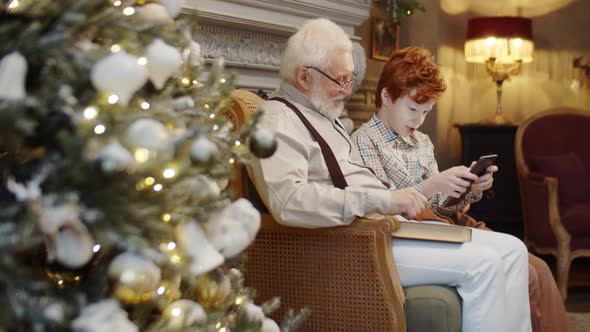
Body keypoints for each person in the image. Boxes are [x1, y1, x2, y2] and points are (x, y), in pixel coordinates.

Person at [248, 18, 532, 331]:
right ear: (304, 76)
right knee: (485, 264)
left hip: (386, 227)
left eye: (349, 79)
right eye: (339, 80)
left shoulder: (322, 118)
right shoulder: (276, 121)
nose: (346, 91)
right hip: (358, 242)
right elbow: (289, 201)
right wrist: (385, 199)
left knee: (514, 250)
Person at [352, 46, 570, 332]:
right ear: (386, 96)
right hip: (414, 233)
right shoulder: (364, 141)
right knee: (529, 271)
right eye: (413, 109)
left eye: (427, 112)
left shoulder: (422, 142)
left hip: (445, 223)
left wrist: (468, 188)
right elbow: (383, 205)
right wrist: (431, 185)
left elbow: (443, 206)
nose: (418, 121)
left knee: (537, 268)